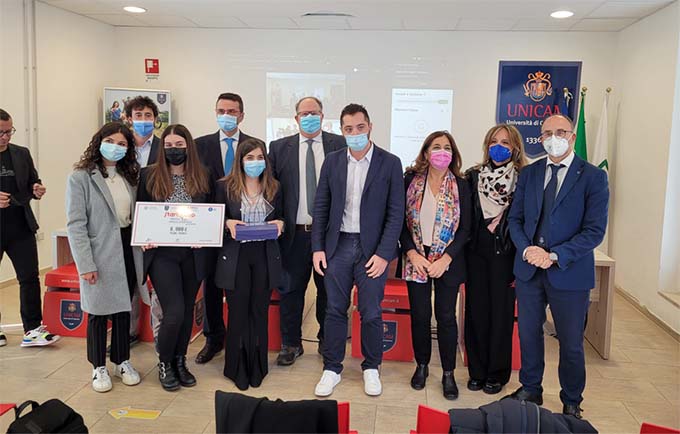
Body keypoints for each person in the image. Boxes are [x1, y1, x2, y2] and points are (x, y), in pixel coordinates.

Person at [506, 114, 609, 419]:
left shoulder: (593, 177)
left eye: (560, 132)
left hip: (569, 272)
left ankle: (572, 398)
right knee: (528, 334)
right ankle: (530, 387)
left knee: (571, 342)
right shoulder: (530, 173)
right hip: (529, 270)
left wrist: (553, 256)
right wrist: (528, 249)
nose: (554, 138)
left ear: (572, 136)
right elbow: (515, 219)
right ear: (540, 138)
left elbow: (594, 231)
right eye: (547, 133)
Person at [312, 104, 404, 397]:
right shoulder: (333, 161)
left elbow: (396, 213)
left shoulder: (390, 163)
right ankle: (332, 368)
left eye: (360, 127)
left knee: (371, 311)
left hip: (372, 250)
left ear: (370, 127)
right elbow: (321, 207)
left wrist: (384, 254)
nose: (355, 133)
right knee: (334, 309)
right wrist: (317, 248)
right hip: (338, 246)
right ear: (342, 131)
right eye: (349, 129)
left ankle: (371, 367)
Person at [66, 122, 146, 392]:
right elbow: (76, 224)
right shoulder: (80, 177)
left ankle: (122, 360)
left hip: (127, 247)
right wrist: (85, 264)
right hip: (99, 251)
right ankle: (98, 366)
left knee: (124, 307)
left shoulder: (130, 176)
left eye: (122, 144)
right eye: (110, 141)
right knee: (98, 311)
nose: (115, 147)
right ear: (99, 142)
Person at [269, 96, 346, 366]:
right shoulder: (279, 148)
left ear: (322, 116)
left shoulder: (340, 144)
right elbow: (272, 191)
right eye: (304, 113)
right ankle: (291, 343)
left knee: (328, 292)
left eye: (314, 113)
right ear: (296, 118)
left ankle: (326, 340)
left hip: (329, 235)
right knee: (291, 291)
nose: (309, 117)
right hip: (294, 234)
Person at [137, 124, 214, 391]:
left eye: (179, 145)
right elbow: (141, 211)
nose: (174, 150)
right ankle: (165, 362)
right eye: (169, 145)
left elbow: (212, 212)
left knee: (187, 311)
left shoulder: (203, 175)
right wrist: (144, 236)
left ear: (188, 146)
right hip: (162, 255)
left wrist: (206, 234)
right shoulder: (149, 175)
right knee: (173, 312)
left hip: (194, 254)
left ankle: (180, 361)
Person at [400, 131, 471, 400]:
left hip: (447, 260)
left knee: (445, 317)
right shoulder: (410, 181)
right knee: (420, 315)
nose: (442, 151)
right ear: (426, 152)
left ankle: (448, 373)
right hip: (416, 256)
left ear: (453, 153)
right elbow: (400, 223)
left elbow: (466, 229)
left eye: (447, 147)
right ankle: (422, 366)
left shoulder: (461, 185)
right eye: (436, 146)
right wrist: (412, 253)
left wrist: (446, 258)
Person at [214, 138, 284, 390]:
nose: (255, 162)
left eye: (259, 157)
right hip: (236, 256)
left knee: (259, 311)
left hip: (264, 254)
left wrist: (281, 224)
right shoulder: (224, 187)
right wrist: (227, 223)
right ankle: (236, 366)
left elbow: (283, 217)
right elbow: (213, 218)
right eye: (249, 158)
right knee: (238, 311)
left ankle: (258, 365)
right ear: (240, 161)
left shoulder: (274, 187)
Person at [194, 92, 259, 365]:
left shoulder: (255, 146)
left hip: (244, 230)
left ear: (241, 115)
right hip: (211, 228)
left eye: (232, 111)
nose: (226, 116)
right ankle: (213, 338)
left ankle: (240, 337)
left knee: (240, 287)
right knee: (211, 284)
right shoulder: (200, 145)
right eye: (221, 111)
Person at [464, 124, 526, 395]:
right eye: (493, 141)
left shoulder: (524, 178)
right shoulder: (472, 176)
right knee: (476, 312)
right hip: (476, 253)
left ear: (515, 148)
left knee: (501, 315)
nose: (498, 147)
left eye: (505, 142)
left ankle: (497, 373)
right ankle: (476, 371)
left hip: (507, 254)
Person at [0, 108, 58, 348]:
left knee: (30, 278)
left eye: (9, 131)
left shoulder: (21, 153)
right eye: (1, 133)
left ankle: (33, 329)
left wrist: (37, 189)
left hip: (21, 225)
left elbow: (33, 181)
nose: (5, 137)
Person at [124, 95, 162, 349]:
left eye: (148, 115)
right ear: (129, 119)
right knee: (129, 278)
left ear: (155, 119)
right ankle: (128, 331)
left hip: (157, 223)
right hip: (126, 221)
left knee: (158, 280)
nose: (143, 120)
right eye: (138, 116)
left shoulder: (164, 148)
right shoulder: (121, 147)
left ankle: (161, 336)